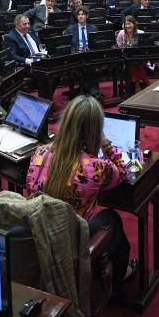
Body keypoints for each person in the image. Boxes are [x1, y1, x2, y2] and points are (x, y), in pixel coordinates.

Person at [24, 95, 135, 289]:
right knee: (112, 218)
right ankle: (118, 280)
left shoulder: (40, 153)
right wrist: (105, 143)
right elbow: (123, 172)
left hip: (39, 235)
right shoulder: (96, 168)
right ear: (95, 131)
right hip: (71, 243)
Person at [116, 16, 150, 92]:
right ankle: (144, 83)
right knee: (133, 65)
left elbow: (144, 47)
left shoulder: (141, 33)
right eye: (126, 24)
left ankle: (137, 84)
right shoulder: (121, 33)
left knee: (135, 64)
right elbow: (119, 47)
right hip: (126, 59)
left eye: (129, 24)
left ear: (134, 24)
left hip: (140, 59)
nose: (127, 26)